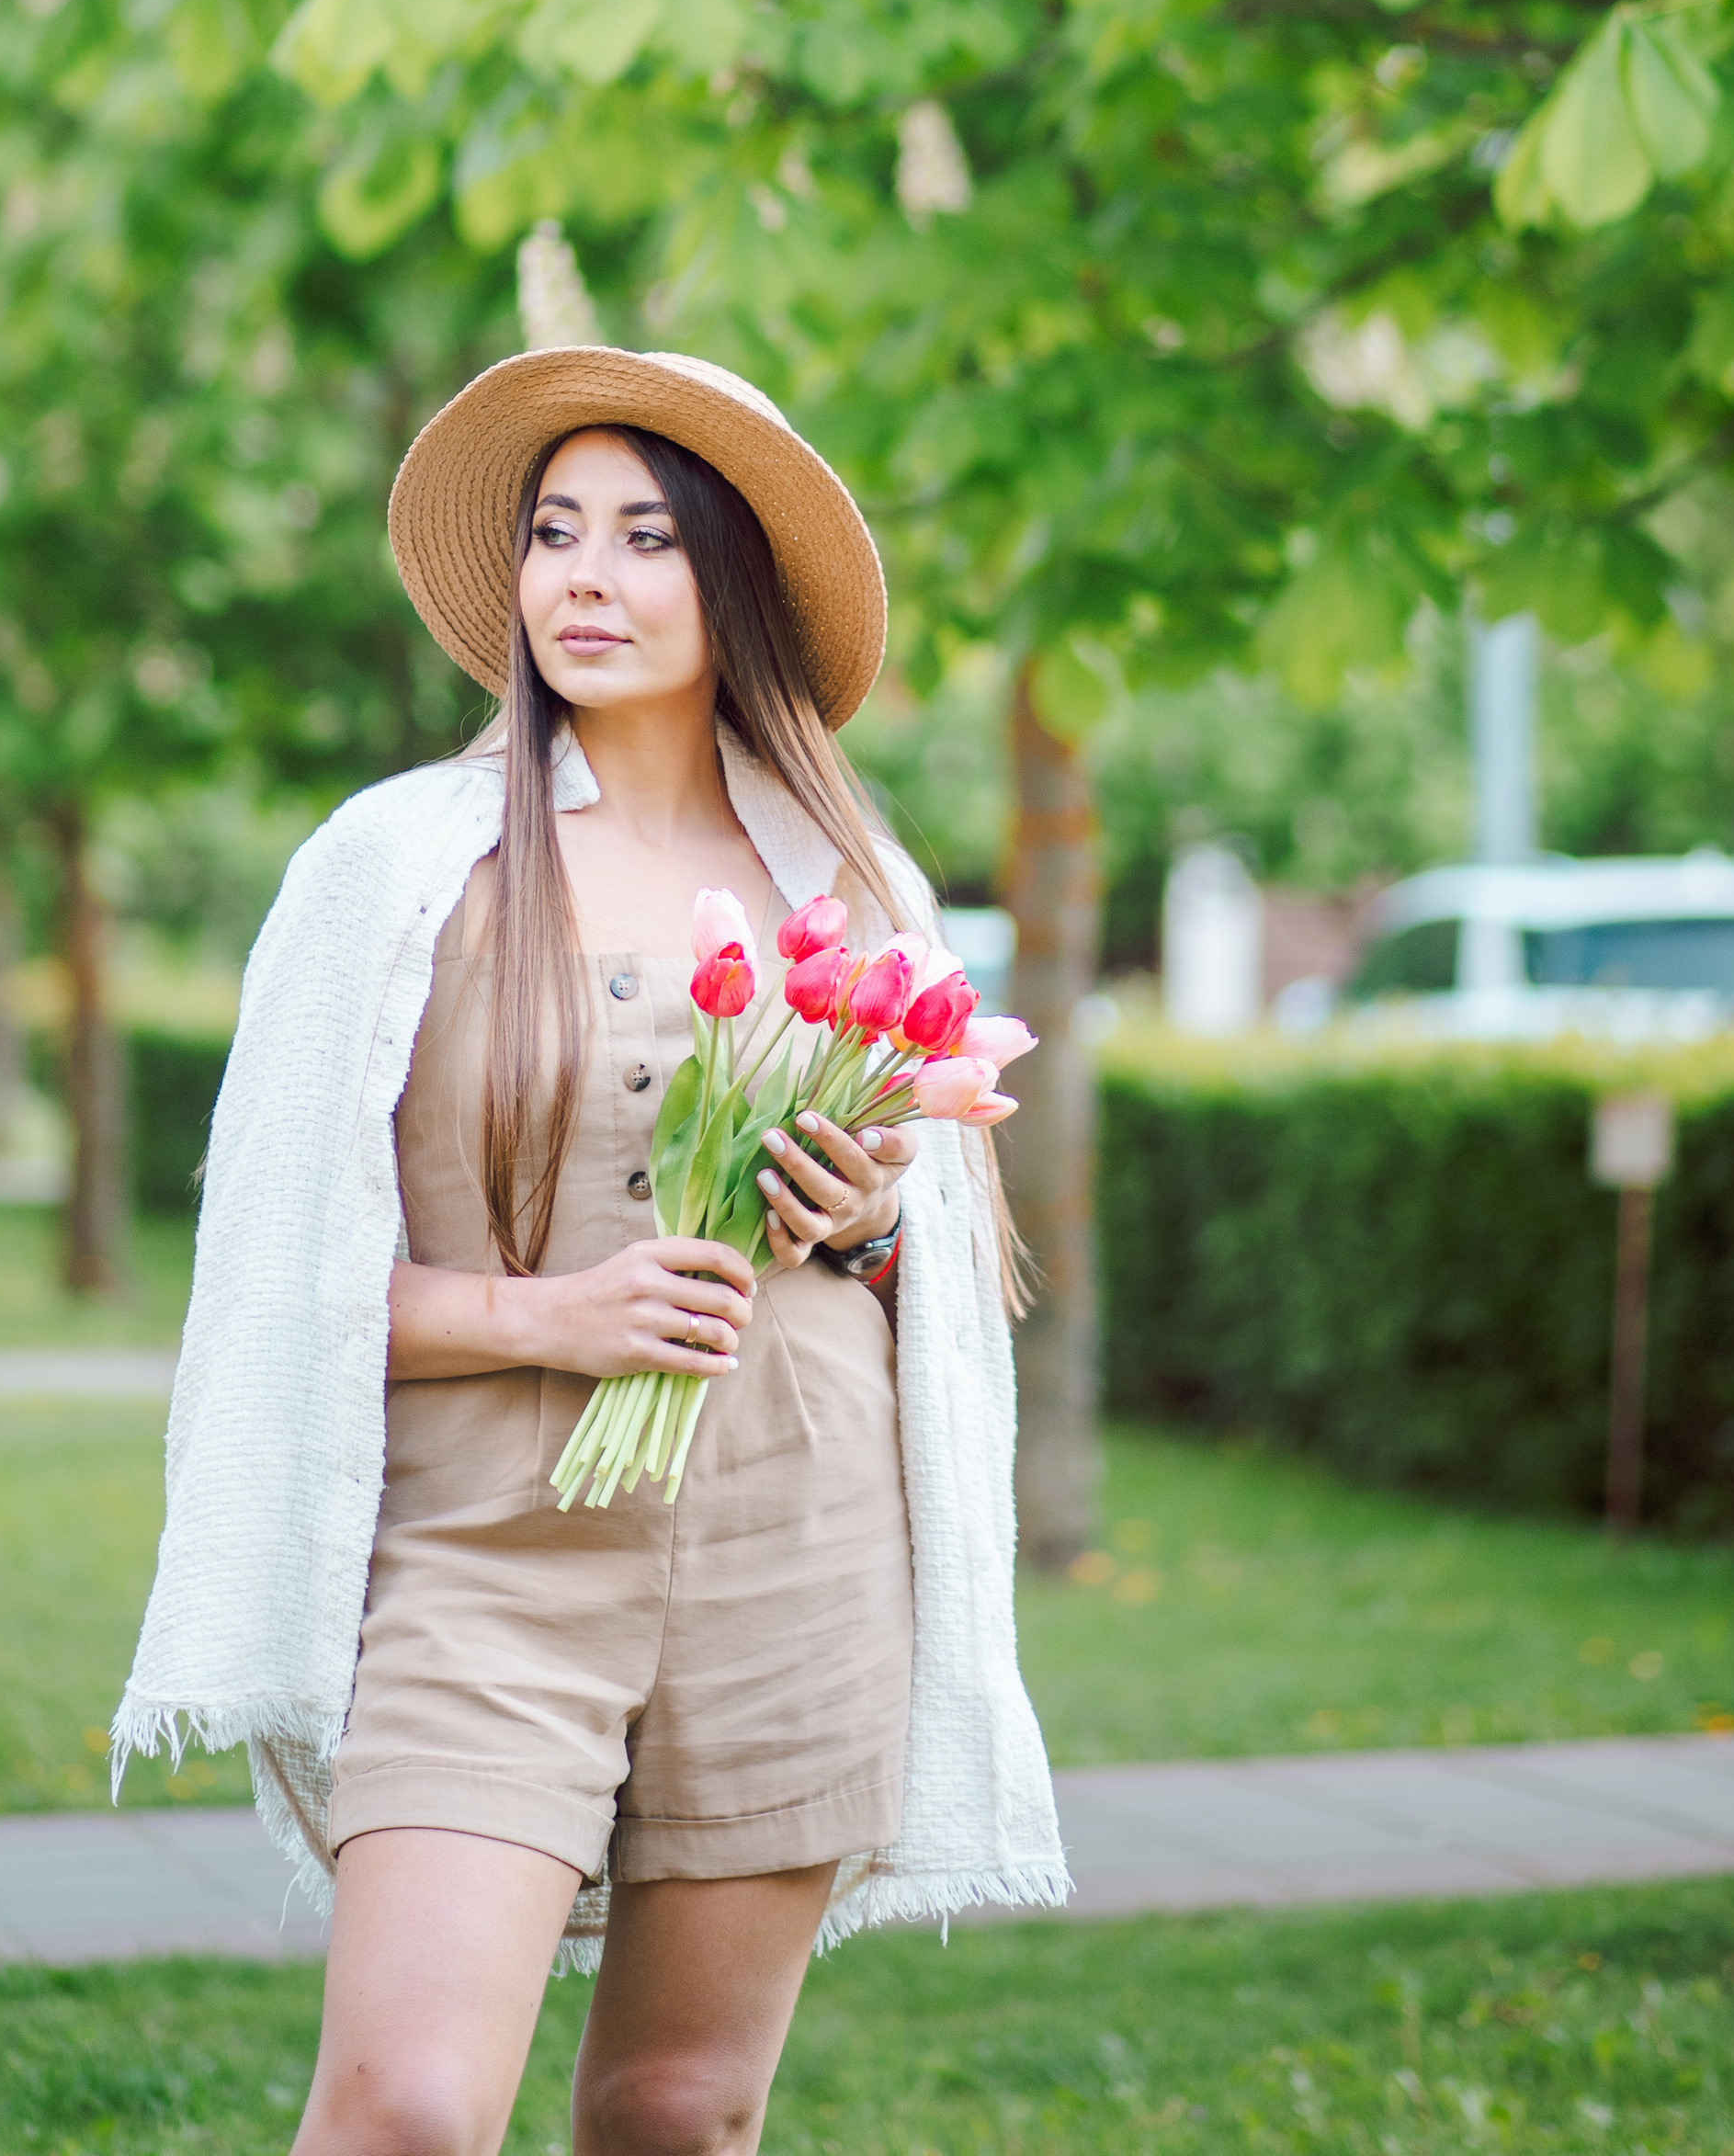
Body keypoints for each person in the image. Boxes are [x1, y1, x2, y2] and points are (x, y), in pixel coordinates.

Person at [115, 346, 1066, 2156]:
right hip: (486, 1563)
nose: (584, 578)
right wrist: (550, 1313)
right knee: (400, 2103)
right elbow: (263, 1300)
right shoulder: (391, 870)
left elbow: (927, 1277)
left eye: (644, 537)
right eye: (556, 532)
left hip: (792, 1549)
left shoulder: (848, 884)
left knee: (677, 2111)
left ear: (736, 584)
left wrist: (863, 1221)